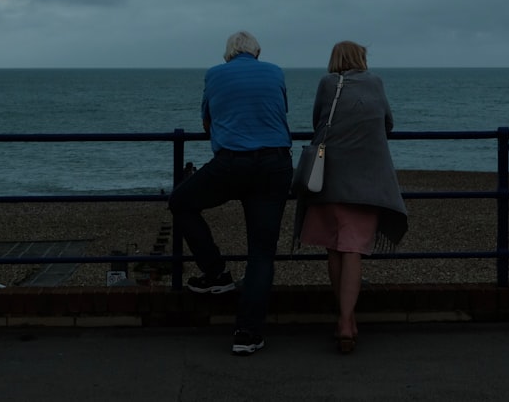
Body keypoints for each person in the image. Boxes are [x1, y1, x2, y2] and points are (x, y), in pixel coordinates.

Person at [167, 31, 293, 356]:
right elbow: (281, 111)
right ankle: (247, 334)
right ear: (257, 52)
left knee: (180, 202)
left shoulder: (214, 74)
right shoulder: (275, 71)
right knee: (261, 252)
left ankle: (215, 272)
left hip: (232, 163)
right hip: (275, 164)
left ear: (228, 54)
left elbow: (208, 121)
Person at [293, 40, 408, 354]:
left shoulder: (328, 84)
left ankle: (347, 319)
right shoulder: (375, 83)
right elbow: (388, 124)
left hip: (328, 178)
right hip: (366, 183)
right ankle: (346, 322)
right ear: (361, 58)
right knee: (354, 249)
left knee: (334, 248)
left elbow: (318, 121)